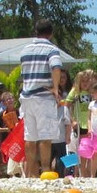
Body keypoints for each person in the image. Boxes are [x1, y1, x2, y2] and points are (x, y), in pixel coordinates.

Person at [18, 20, 64, 177]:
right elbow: (56, 67)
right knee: (45, 137)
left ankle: (30, 174)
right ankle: (45, 171)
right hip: (43, 97)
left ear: (35, 31)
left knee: (30, 137)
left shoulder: (25, 50)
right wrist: (56, 88)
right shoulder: (51, 49)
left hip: (26, 97)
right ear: (51, 33)